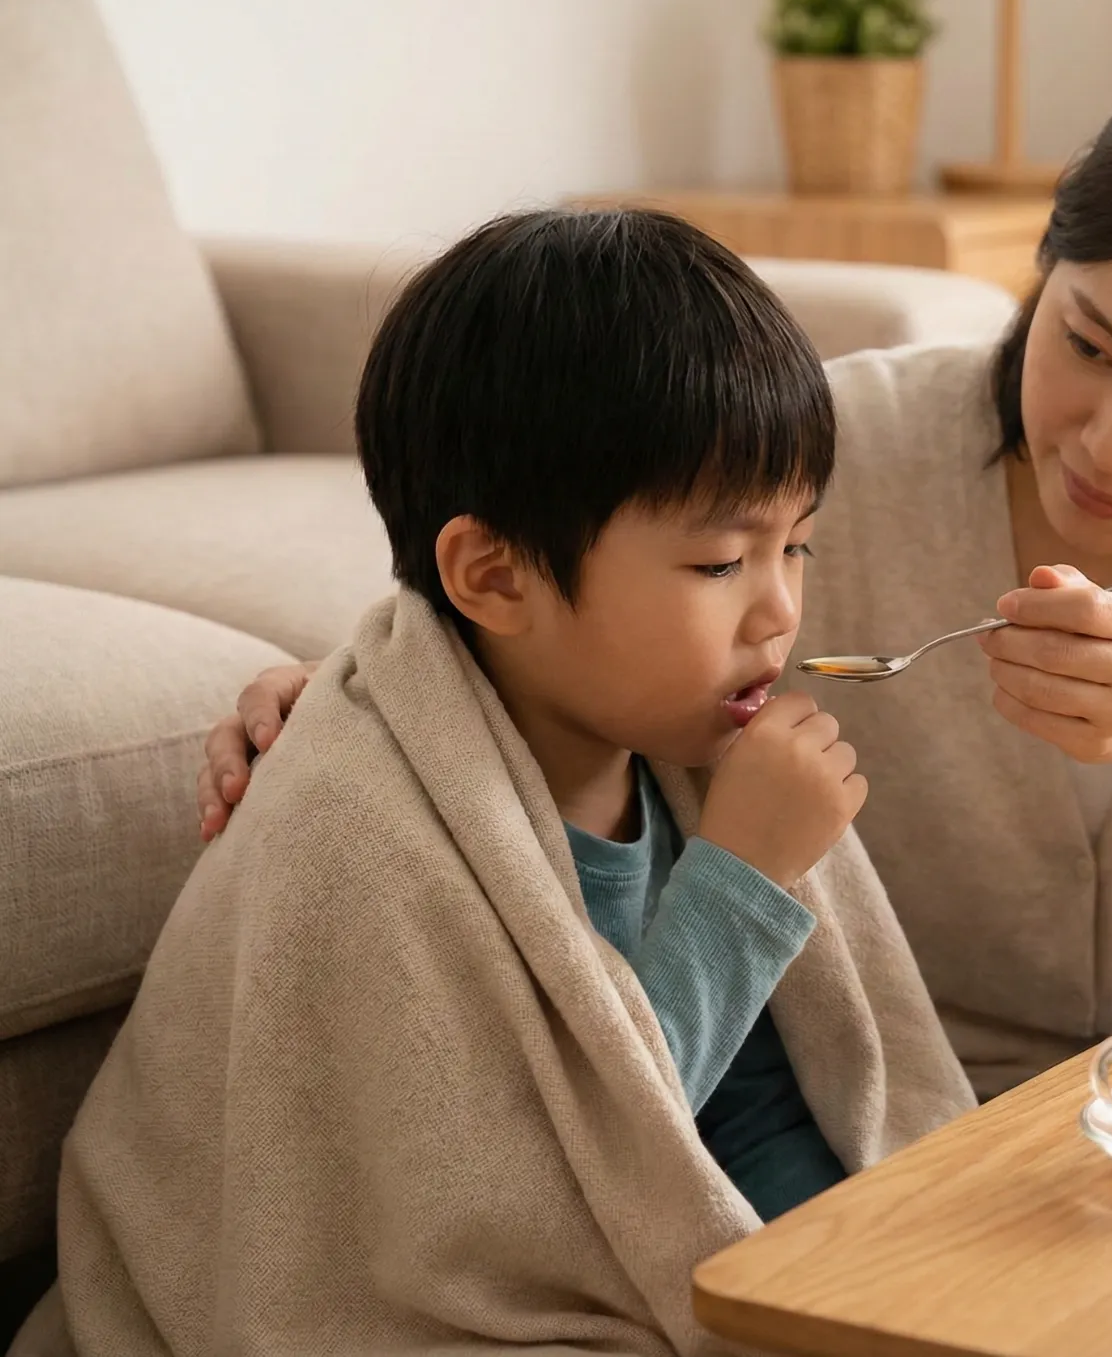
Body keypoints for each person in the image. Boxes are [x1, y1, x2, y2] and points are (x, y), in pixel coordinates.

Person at [197, 46, 1112, 1102]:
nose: (1109, 439)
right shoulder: (836, 450)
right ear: (1044, 263)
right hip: (903, 1104)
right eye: (1084, 340)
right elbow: (537, 596)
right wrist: (355, 689)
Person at [58, 209, 973, 1355]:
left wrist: (880, 1277)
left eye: (796, 544)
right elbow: (531, 1201)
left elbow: (768, 1111)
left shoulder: (671, 755)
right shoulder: (359, 826)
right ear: (492, 575)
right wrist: (743, 884)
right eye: (718, 561)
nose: (780, 607)